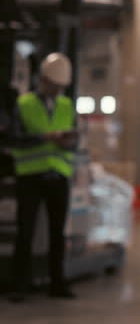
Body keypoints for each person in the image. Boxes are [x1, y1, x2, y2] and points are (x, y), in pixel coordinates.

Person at [7, 52, 78, 302]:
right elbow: (12, 138)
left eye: (61, 87)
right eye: (53, 85)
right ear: (43, 79)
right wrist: (45, 138)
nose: (56, 90)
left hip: (59, 175)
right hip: (30, 176)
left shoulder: (67, 105)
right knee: (25, 231)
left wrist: (68, 141)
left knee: (57, 233)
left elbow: (75, 139)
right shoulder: (24, 104)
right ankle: (19, 286)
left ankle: (57, 283)